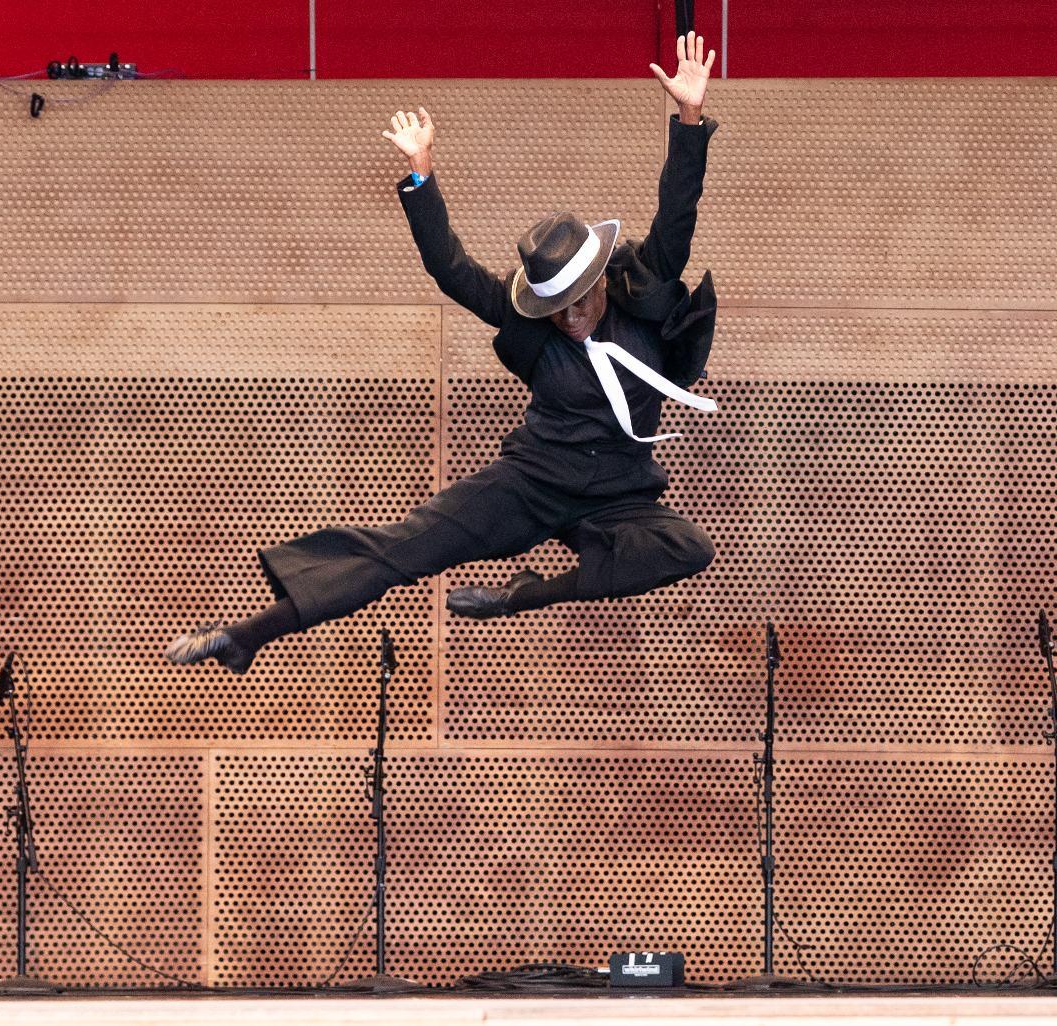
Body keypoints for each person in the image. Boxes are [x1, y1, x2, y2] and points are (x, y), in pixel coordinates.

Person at [166, 32, 723, 675]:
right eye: (554, 310)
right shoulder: (533, 327)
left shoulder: (646, 293)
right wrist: (420, 175)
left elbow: (678, 210)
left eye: (577, 303)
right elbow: (449, 268)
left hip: (619, 490)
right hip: (531, 483)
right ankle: (245, 636)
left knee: (684, 547)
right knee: (403, 550)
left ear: (599, 284)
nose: (567, 320)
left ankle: (525, 594)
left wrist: (687, 117)